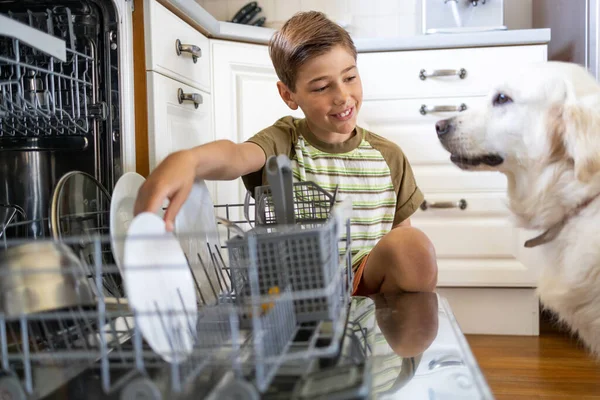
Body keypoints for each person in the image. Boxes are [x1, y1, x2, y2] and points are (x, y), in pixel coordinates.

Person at [134, 11, 438, 295]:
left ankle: (392, 345)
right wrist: (188, 159)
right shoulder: (285, 140)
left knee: (413, 248)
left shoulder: (388, 156)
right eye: (321, 87)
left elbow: (400, 244)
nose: (343, 97)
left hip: (362, 282)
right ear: (288, 95)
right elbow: (237, 156)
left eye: (349, 77)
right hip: (297, 290)